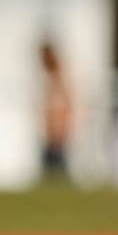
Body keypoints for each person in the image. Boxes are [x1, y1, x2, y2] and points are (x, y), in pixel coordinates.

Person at [37, 37, 74, 175]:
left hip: (57, 134)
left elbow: (66, 104)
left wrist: (61, 127)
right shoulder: (51, 78)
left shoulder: (59, 78)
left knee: (56, 170)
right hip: (52, 133)